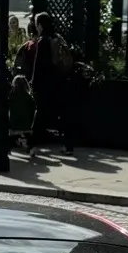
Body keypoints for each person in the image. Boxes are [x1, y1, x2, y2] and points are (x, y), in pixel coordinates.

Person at [29, 12, 75, 157]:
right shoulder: (57, 38)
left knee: (39, 115)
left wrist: (33, 83)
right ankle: (68, 146)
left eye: (37, 24)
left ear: (40, 25)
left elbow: (39, 65)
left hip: (45, 85)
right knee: (63, 115)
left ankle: (32, 146)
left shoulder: (43, 41)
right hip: (60, 82)